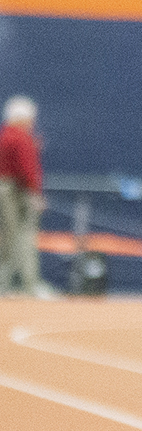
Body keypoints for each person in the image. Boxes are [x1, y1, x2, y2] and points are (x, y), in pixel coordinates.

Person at [0, 96, 47, 296]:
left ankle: (6, 283)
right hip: (15, 191)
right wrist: (35, 194)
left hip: (10, 189)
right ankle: (30, 284)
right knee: (22, 237)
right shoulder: (20, 137)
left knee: (8, 238)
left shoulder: (6, 135)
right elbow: (27, 169)